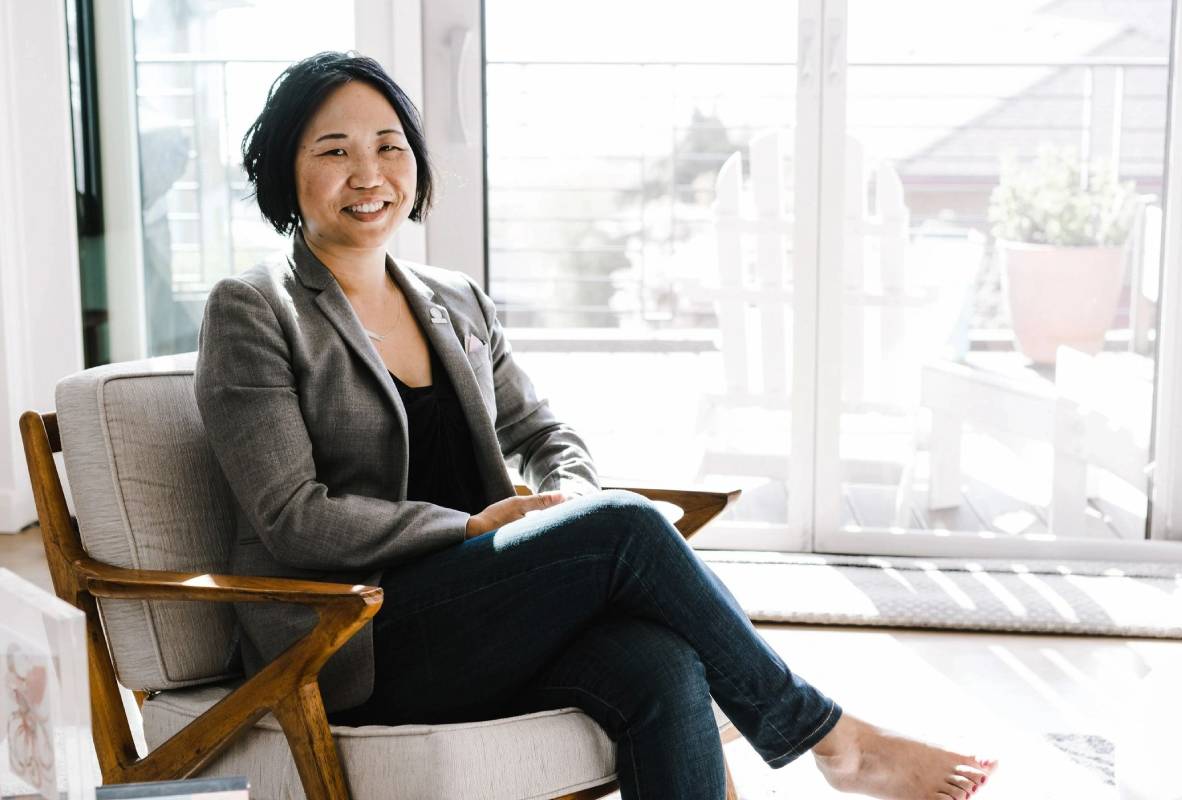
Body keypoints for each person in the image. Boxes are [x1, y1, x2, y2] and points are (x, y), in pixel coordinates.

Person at [194, 51, 997, 800]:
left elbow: (549, 437)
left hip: (479, 615)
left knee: (662, 664)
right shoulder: (256, 310)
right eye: (333, 151)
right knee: (623, 526)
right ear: (284, 174)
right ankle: (828, 738)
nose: (368, 174)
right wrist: (476, 523)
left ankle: (821, 737)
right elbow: (294, 519)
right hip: (352, 638)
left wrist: (558, 502)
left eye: (388, 145)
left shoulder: (455, 299)